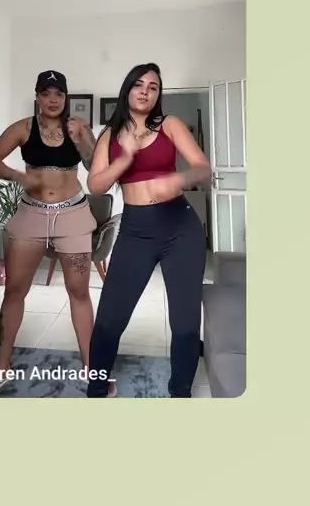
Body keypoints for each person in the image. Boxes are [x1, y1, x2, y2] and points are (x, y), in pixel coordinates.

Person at [86, 63, 211, 398]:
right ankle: (96, 389)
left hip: (179, 228)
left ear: (158, 95)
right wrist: (123, 160)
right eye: (139, 84)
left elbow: (203, 168)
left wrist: (178, 178)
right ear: (128, 89)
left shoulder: (170, 125)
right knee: (109, 319)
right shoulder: (110, 135)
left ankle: (180, 392)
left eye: (153, 87)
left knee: (185, 324)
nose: (145, 91)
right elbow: (95, 185)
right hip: (135, 232)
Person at [0, 70, 98, 398]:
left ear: (66, 97)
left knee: (79, 292)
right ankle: (2, 367)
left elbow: (96, 168)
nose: (53, 100)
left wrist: (84, 139)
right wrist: (18, 176)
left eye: (59, 94)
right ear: (37, 97)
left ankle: (92, 368)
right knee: (15, 291)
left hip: (72, 215)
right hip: (31, 214)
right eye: (46, 93)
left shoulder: (79, 128)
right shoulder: (23, 128)